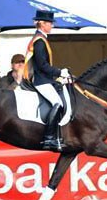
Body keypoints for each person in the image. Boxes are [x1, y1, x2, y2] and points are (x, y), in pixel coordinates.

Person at [23, 10, 71, 151]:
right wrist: (59, 72)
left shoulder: (41, 38)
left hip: (45, 78)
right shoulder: (39, 41)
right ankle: (49, 138)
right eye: (50, 23)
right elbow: (42, 65)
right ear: (42, 23)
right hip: (41, 80)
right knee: (58, 103)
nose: (52, 26)